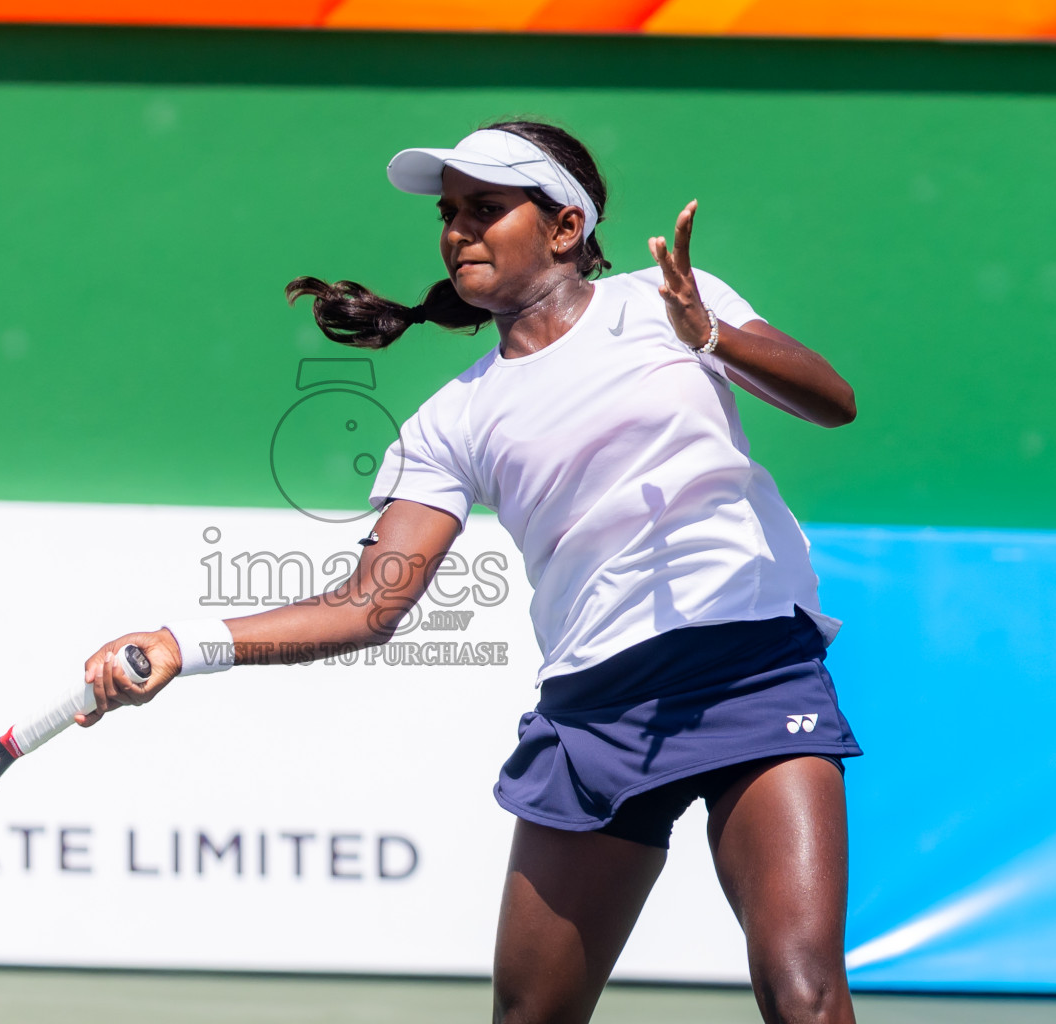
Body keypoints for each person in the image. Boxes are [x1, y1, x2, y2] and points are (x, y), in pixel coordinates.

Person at [79, 120, 861, 1024]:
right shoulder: (449, 421)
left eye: (487, 209)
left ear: (565, 228)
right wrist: (187, 643)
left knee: (804, 992)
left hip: (751, 674)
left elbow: (831, 402)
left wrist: (712, 333)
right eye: (451, 214)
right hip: (596, 708)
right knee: (530, 1016)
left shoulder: (671, 304)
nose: (459, 231)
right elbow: (371, 606)